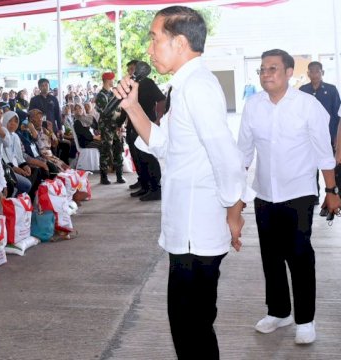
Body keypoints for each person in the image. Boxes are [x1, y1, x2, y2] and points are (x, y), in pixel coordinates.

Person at [113, 6, 251, 359]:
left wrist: (234, 212)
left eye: (155, 38)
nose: (149, 48)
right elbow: (164, 144)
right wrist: (132, 107)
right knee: (190, 325)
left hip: (198, 230)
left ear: (179, 41)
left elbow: (227, 157)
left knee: (192, 327)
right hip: (187, 229)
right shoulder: (186, 85)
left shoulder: (198, 87)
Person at [238, 49, 341, 345]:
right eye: (262, 69)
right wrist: (238, 194)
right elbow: (244, 153)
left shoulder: (307, 106)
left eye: (272, 68)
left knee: (299, 255)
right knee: (270, 256)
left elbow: (324, 152)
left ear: (288, 73)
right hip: (265, 194)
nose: (265, 74)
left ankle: (305, 319)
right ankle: (279, 311)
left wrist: (332, 191)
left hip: (299, 193)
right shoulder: (253, 106)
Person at [125, 59, 167, 201]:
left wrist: (159, 118)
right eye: (128, 70)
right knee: (137, 158)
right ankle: (144, 185)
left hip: (147, 124)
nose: (130, 72)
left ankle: (155, 188)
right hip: (133, 125)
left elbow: (161, 100)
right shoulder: (132, 85)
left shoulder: (148, 83)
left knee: (147, 157)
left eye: (131, 69)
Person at [299, 61, 340, 151]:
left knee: (329, 162)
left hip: (329, 133)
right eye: (311, 72)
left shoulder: (331, 89)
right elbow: (299, 113)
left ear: (323, 73)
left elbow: (337, 114)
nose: (314, 74)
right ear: (308, 74)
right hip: (308, 135)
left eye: (317, 71)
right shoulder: (303, 90)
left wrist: (337, 136)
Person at [95, 72, 125, 185]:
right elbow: (106, 112)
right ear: (107, 80)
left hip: (115, 127)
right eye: (112, 79)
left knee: (118, 149)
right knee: (106, 151)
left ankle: (119, 175)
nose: (113, 81)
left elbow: (119, 109)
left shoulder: (112, 94)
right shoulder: (101, 96)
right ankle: (104, 176)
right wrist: (118, 118)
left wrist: (120, 123)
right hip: (107, 127)